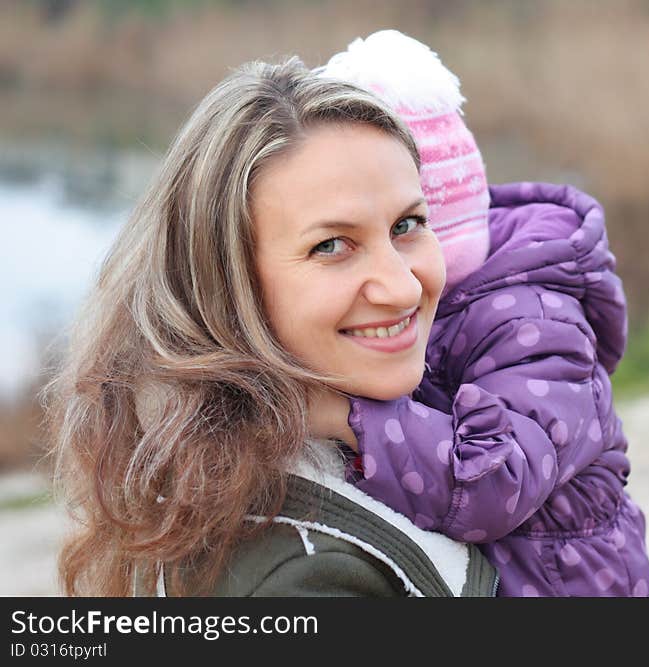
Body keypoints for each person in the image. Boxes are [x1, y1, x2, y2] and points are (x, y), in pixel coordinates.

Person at [43, 55, 498, 597]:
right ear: (226, 284)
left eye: (408, 225)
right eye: (331, 246)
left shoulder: (239, 461)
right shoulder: (300, 580)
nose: (402, 287)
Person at [311, 30, 649, 596]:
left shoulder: (535, 320)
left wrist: (342, 417)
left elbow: (496, 483)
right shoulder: (459, 302)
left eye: (405, 230)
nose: (389, 288)